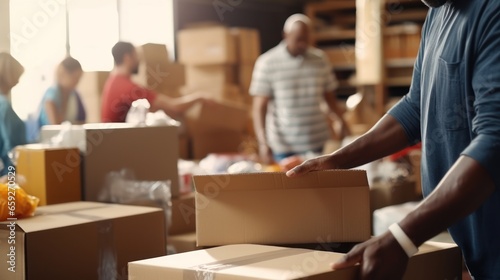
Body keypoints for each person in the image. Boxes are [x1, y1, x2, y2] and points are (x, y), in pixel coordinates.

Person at [287, 0, 500, 279]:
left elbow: (494, 141)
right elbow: (415, 107)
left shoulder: (492, 11)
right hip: (476, 244)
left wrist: (402, 237)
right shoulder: (437, 13)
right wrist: (339, 159)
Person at [250, 14, 350, 164]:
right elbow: (259, 108)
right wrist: (263, 143)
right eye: (298, 39)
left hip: (318, 143)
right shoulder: (267, 63)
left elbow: (329, 97)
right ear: (286, 35)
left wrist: (341, 121)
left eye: (306, 39)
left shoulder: (320, 60)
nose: (302, 44)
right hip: (284, 148)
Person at [101, 41, 206, 123]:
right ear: (127, 58)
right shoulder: (129, 88)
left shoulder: (112, 82)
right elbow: (175, 107)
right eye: (136, 56)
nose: (139, 60)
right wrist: (200, 97)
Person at [38, 57, 86, 126]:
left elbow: (82, 121)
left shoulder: (75, 95)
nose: (77, 82)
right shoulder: (52, 95)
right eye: (74, 78)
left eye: (79, 79)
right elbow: (55, 126)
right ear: (63, 74)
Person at [0, 53, 26, 176]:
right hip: (9, 174)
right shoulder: (3, 105)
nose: (18, 81)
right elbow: (10, 150)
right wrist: (11, 181)